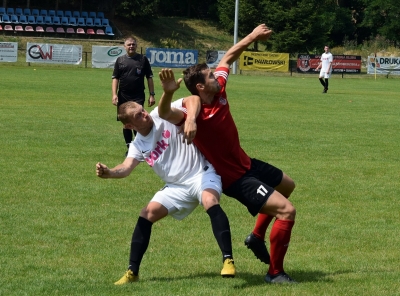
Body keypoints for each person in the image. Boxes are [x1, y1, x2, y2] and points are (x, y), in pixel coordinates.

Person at [158, 24, 297, 284]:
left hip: (247, 163)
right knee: (287, 211)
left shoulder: (218, 89)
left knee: (288, 185)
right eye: (210, 76)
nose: (217, 77)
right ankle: (275, 273)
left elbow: (228, 56)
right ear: (200, 86)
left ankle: (255, 237)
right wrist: (168, 95)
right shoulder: (190, 113)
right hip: (235, 179)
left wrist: (253, 37)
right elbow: (166, 113)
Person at [97, 81, 235, 285]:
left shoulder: (162, 114)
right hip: (176, 187)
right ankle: (132, 272)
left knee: (209, 200)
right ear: (129, 126)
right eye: (138, 116)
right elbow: (126, 168)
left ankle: (228, 260)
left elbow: (193, 99)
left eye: (142, 110)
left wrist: (190, 121)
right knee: (147, 214)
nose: (145, 114)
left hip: (200, 173)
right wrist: (109, 173)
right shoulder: (137, 145)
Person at [111, 36, 156, 155]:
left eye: (133, 44)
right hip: (123, 96)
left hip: (138, 96)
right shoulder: (120, 60)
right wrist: (114, 94)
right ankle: (129, 148)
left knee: (138, 122)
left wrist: (152, 94)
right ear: (124, 46)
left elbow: (149, 77)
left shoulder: (143, 60)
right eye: (129, 44)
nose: (131, 46)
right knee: (126, 123)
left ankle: (141, 147)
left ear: (136, 46)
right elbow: (115, 78)